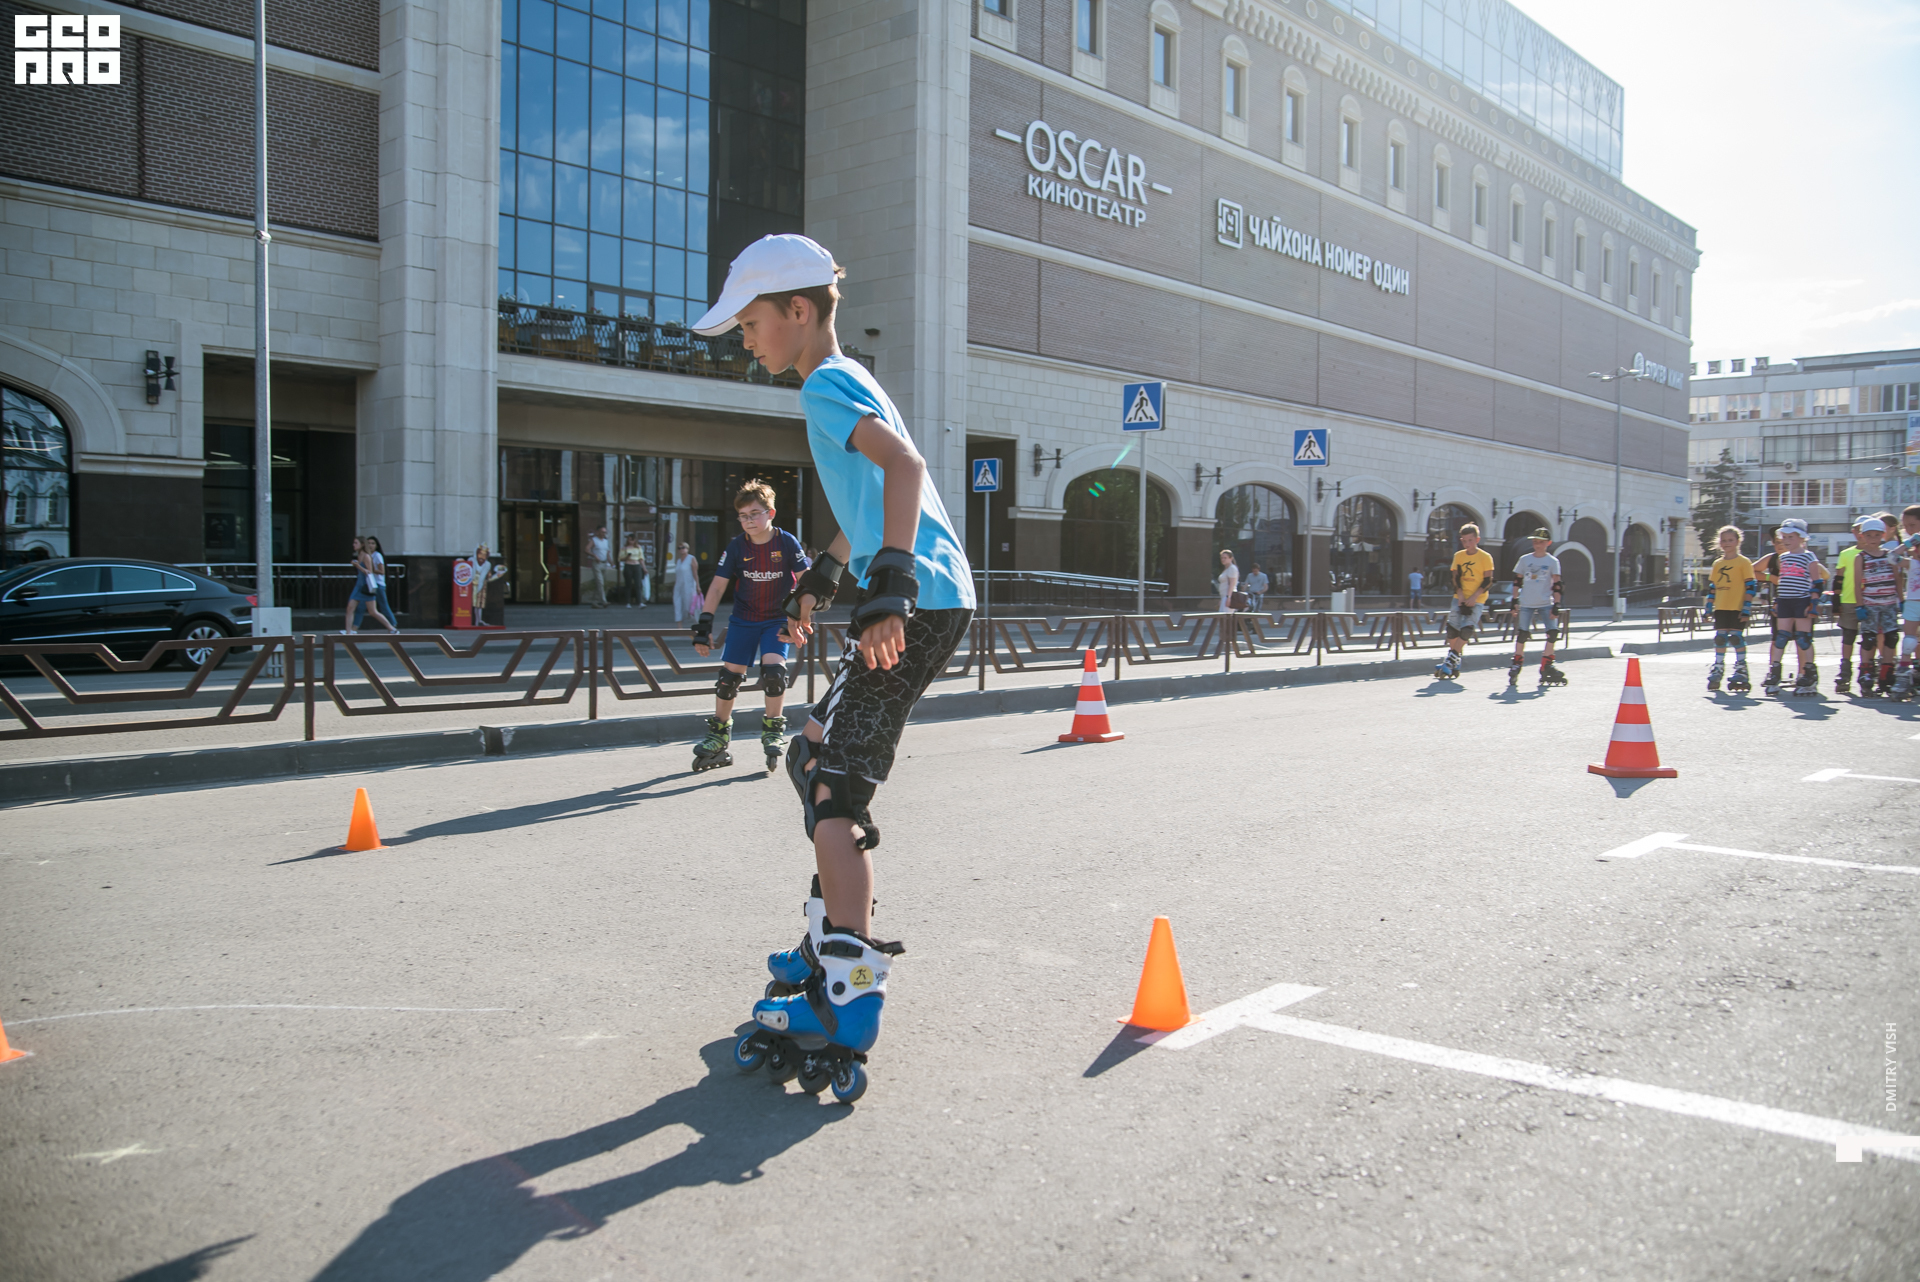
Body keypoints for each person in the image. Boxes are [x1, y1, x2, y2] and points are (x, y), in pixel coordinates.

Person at [692, 233, 975, 1099]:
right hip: (928, 593)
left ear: (798, 310)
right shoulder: (847, 379)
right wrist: (826, 572)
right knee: (811, 755)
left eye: (750, 325)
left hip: (920, 598)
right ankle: (829, 938)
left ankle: (847, 995)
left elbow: (906, 467)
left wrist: (888, 585)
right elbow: (874, 493)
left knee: (835, 789)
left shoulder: (823, 384)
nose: (746, 341)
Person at [689, 482, 810, 774]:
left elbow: (806, 581)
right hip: (744, 620)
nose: (748, 521)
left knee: (774, 674)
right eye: (743, 516)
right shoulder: (737, 546)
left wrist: (798, 618)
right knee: (728, 679)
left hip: (776, 620)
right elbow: (717, 586)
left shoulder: (786, 542)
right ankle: (718, 736)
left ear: (771, 513)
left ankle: (773, 729)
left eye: (754, 514)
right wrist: (704, 624)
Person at [1760, 524, 1829, 696]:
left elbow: (1817, 582)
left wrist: (1813, 604)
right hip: (1785, 600)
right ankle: (1774, 672)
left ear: (1801, 538)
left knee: (1803, 638)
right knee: (1781, 637)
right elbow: (1783, 581)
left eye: (1791, 537)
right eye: (1784, 537)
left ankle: (1809, 674)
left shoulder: (1809, 557)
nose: (1786, 540)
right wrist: (1777, 601)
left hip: (1802, 600)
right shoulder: (1783, 558)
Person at [1433, 523, 1494, 680]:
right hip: (1459, 597)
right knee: (1452, 629)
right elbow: (1455, 577)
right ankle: (1455, 662)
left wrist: (1474, 597)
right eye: (1464, 541)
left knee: (1467, 629)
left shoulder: (1485, 557)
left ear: (1477, 540)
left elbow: (1488, 581)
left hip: (1477, 599)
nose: (1467, 544)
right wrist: (1460, 594)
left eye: (1470, 540)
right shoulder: (1459, 556)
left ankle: (1449, 660)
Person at [1849, 517, 1901, 697]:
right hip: (1870, 604)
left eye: (1877, 535)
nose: (1873, 538)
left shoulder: (1890, 555)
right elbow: (1857, 584)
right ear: (1862, 536)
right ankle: (1866, 673)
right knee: (1869, 639)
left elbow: (1897, 578)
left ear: (1883, 535)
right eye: (1869, 535)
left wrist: (1901, 600)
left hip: (1889, 603)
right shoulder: (1861, 557)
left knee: (1891, 637)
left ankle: (1887, 673)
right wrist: (1859, 605)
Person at [1507, 528, 1566, 688]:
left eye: (1540, 542)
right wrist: (1514, 600)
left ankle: (1547, 664)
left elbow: (1557, 584)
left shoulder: (1552, 561)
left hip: (1545, 602)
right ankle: (1516, 663)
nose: (1537, 545)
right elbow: (1517, 581)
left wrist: (1557, 604)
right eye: (1535, 542)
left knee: (1553, 633)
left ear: (1548, 543)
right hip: (1526, 603)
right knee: (1522, 634)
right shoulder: (1525, 559)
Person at [1703, 525, 1758, 694]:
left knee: (1736, 638)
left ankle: (1741, 669)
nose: (1726, 543)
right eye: (1723, 540)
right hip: (1721, 606)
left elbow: (1751, 586)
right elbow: (1713, 587)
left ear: (1737, 541)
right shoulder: (1718, 563)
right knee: (1720, 639)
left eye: (1730, 540)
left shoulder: (1743, 562)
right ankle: (1718, 667)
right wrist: (1708, 607)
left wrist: (1746, 607)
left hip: (1737, 607)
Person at [1831, 515, 1866, 693]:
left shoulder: (1880, 553)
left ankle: (1867, 670)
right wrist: (1836, 602)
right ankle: (1845, 671)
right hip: (1849, 601)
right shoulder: (1846, 553)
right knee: (1848, 637)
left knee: (1869, 639)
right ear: (1854, 532)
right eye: (1858, 529)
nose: (1861, 533)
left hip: (1871, 601)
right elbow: (1838, 578)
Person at [1891, 505, 1920, 700]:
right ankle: (1904, 675)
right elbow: (1892, 558)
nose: (1908, 529)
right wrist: (1909, 542)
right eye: (1905, 526)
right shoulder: (1913, 562)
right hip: (1913, 602)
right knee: (1910, 640)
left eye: (1912, 525)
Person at [344, 535, 394, 634]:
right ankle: (348, 632)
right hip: (359, 586)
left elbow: (369, 572)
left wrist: (358, 566)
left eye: (356, 543)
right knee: (350, 608)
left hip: (365, 587)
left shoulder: (366, 556)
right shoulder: (360, 555)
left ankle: (392, 628)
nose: (353, 545)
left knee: (373, 611)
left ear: (362, 544)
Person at [364, 535, 400, 631]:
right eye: (368, 543)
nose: (370, 545)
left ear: (376, 545)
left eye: (373, 543)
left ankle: (393, 624)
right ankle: (353, 627)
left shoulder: (377, 555)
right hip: (370, 584)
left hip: (378, 584)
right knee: (361, 606)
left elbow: (382, 571)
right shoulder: (367, 555)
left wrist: (371, 569)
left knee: (383, 605)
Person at [469, 543, 507, 627]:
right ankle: (474, 621)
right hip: (471, 587)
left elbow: (488, 578)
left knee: (479, 605)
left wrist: (497, 576)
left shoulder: (487, 565)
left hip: (482, 587)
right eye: (480, 554)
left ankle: (479, 620)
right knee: (473, 604)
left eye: (484, 555)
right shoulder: (471, 562)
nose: (482, 557)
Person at [582, 525, 612, 608]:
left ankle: (595, 602)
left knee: (600, 583)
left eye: (605, 532)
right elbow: (586, 549)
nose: (604, 534)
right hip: (597, 563)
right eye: (602, 532)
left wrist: (611, 562)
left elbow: (607, 553)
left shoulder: (606, 541)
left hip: (604, 563)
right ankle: (604, 601)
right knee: (600, 582)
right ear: (598, 532)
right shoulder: (594, 540)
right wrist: (594, 555)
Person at [671, 541, 702, 622]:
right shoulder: (678, 561)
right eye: (679, 548)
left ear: (687, 549)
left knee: (690, 605)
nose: (681, 549)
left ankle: (697, 622)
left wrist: (697, 586)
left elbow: (695, 574)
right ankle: (679, 626)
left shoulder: (691, 559)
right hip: (678, 586)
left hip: (689, 585)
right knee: (677, 604)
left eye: (683, 547)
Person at [621, 533, 649, 608]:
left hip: (636, 566)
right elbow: (621, 558)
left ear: (635, 540)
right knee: (628, 584)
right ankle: (628, 602)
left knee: (638, 584)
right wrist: (627, 557)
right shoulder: (624, 548)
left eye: (632, 540)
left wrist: (644, 568)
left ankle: (640, 602)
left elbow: (641, 559)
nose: (631, 541)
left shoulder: (638, 547)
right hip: (628, 565)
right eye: (629, 539)